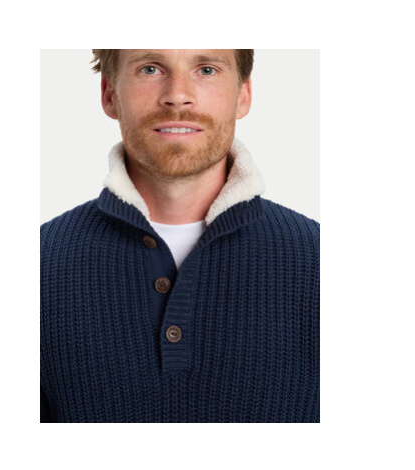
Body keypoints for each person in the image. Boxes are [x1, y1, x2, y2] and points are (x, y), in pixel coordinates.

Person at [40, 49, 320, 423]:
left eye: (206, 69)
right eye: (150, 69)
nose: (177, 95)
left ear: (243, 95)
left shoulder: (321, 261)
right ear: (109, 94)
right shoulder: (38, 264)